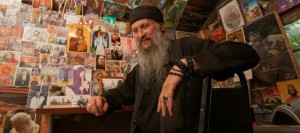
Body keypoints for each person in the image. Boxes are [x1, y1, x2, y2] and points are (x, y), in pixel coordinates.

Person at [86, 6, 260, 133]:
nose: (140, 34)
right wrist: (103, 99)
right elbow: (123, 92)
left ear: (161, 26)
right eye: (136, 31)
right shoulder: (141, 69)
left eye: (145, 26)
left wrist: (186, 65)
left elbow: (247, 53)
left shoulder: (188, 47)